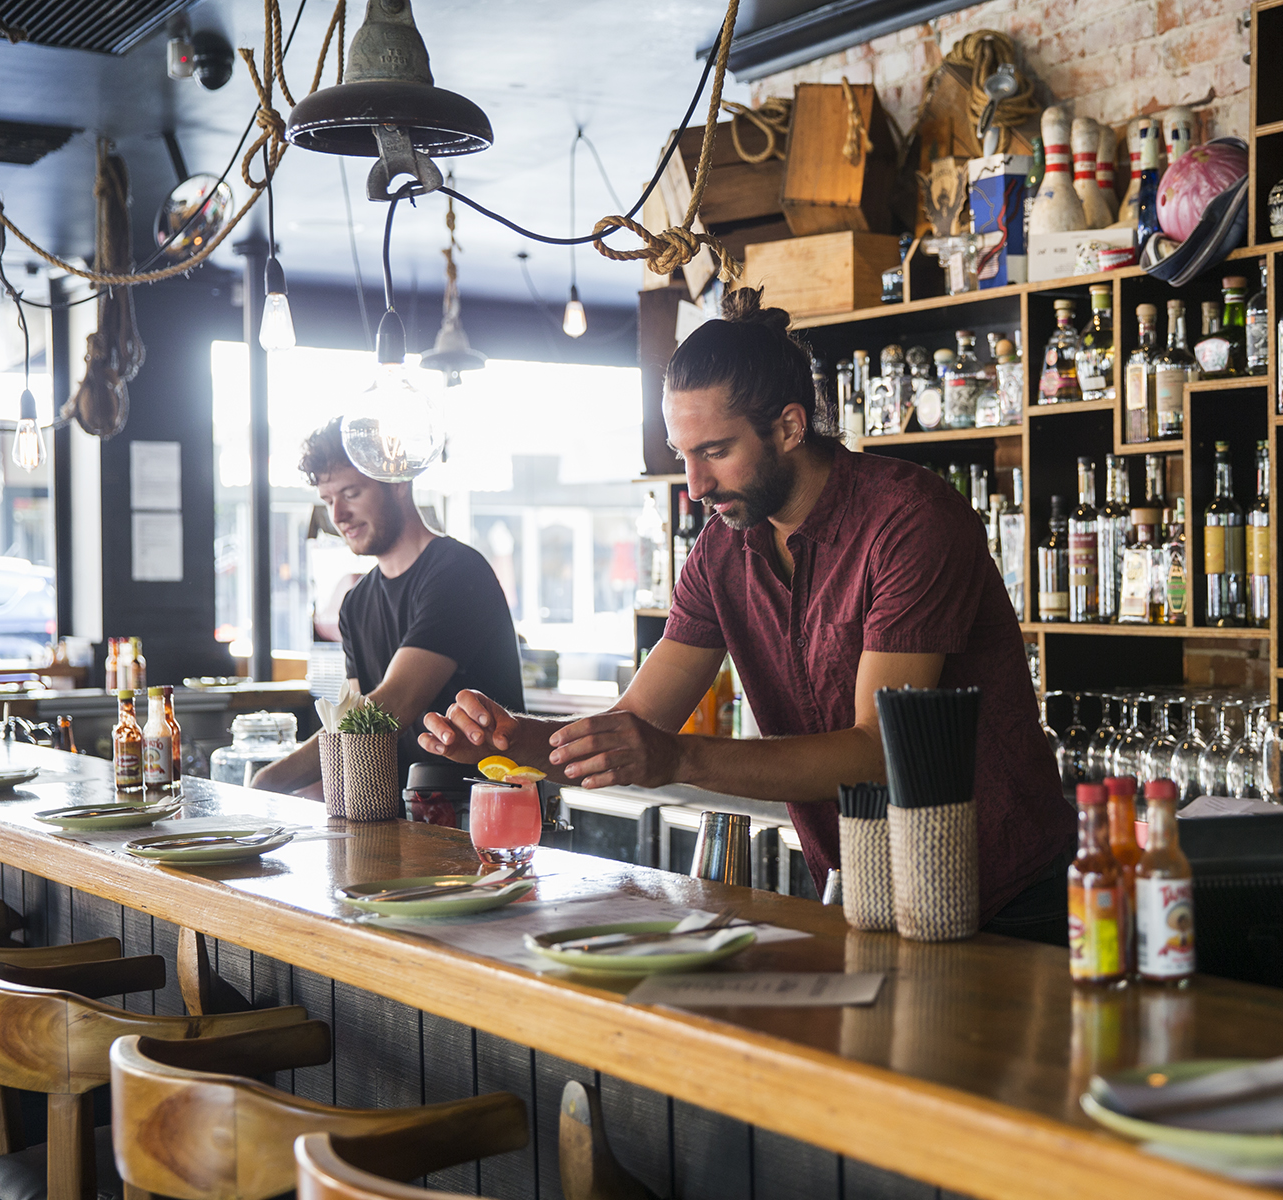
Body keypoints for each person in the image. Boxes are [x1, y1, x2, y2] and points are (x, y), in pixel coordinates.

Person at [421, 287, 1074, 943]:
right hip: (864, 890)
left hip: (1001, 893)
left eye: (714, 452)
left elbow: (880, 752)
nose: (696, 487)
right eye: (683, 456)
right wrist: (512, 740)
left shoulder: (909, 521)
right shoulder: (720, 551)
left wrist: (676, 758)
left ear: (790, 426)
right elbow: (633, 730)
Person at [252, 419, 525, 794]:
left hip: (478, 816)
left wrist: (268, 782)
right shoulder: (355, 604)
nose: (338, 515)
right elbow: (354, 720)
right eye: (329, 501)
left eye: (351, 493)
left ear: (398, 482)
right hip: (400, 819)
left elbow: (391, 706)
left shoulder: (456, 573)